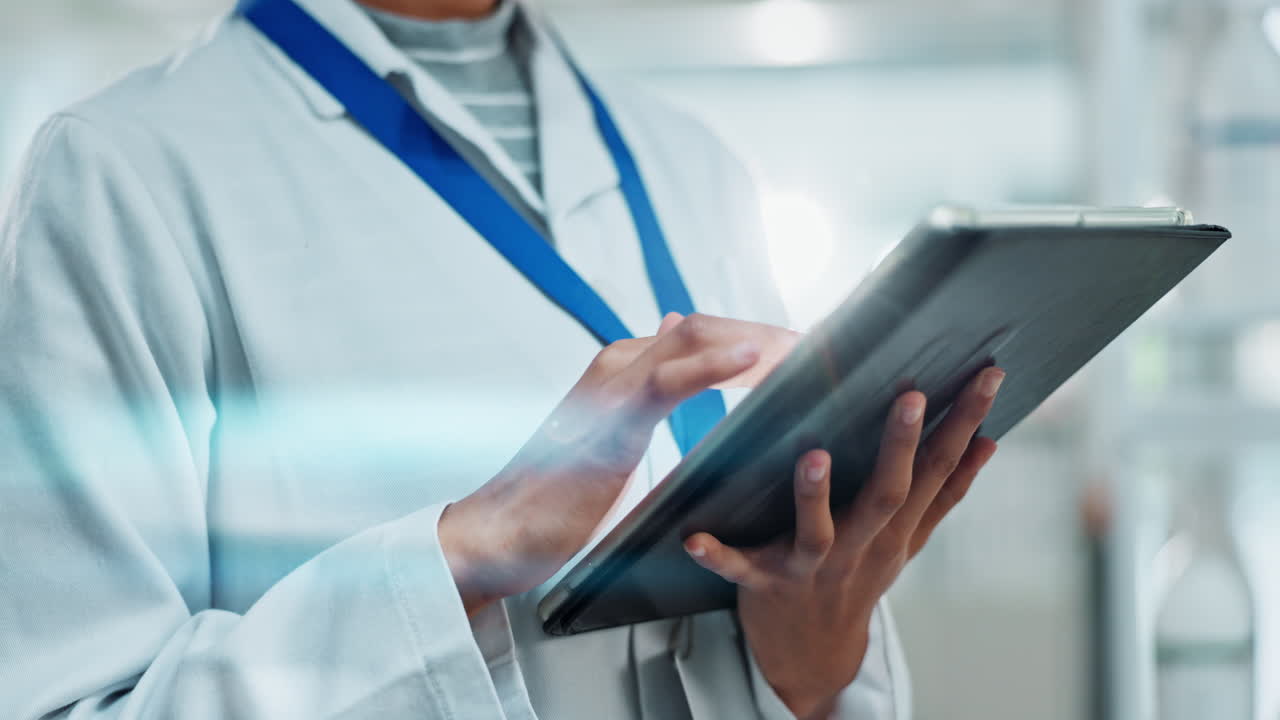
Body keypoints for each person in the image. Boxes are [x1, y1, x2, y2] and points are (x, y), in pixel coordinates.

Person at [0, 0, 1004, 718]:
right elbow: (69, 701)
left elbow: (796, 680)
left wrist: (812, 660)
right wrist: (464, 553)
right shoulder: (126, 171)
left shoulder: (691, 162)